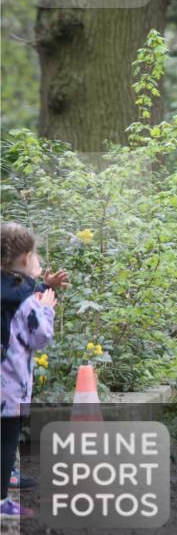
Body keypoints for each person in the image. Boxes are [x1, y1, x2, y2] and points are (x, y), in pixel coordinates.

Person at [1, 222, 66, 519]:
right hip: (9, 388)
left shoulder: (10, 289)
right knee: (6, 443)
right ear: (26, 258)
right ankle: (2, 502)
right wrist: (47, 307)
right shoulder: (28, 300)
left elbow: (15, 293)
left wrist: (44, 286)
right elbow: (38, 336)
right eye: (36, 255)